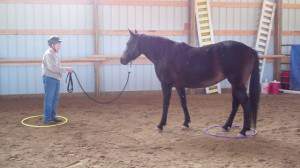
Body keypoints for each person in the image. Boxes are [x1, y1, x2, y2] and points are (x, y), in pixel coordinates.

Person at [41, 36, 72, 124]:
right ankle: (47, 119)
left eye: (59, 44)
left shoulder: (55, 53)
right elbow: (53, 68)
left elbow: (57, 67)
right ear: (52, 44)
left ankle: (52, 117)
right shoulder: (48, 54)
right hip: (50, 78)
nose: (60, 46)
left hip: (55, 78)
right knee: (49, 99)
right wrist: (66, 69)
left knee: (55, 99)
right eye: (58, 44)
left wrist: (64, 70)